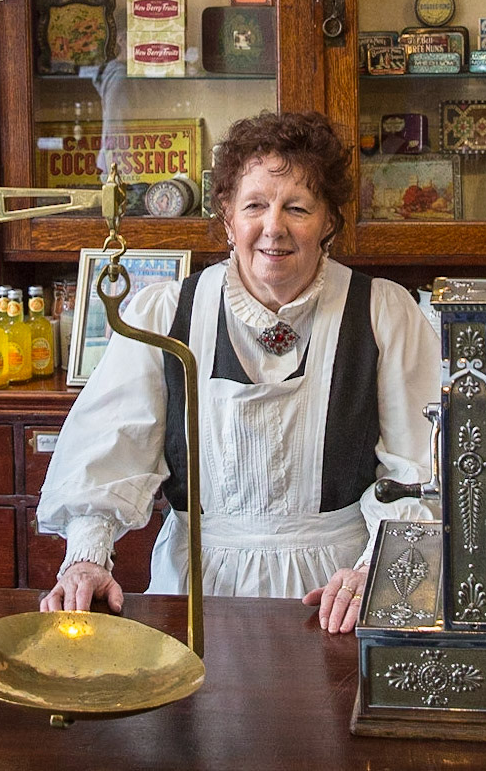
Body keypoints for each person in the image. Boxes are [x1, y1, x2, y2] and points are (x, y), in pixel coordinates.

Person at [37, 111, 439, 633]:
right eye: (254, 206)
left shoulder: (384, 312)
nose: (274, 227)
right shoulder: (163, 315)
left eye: (297, 207)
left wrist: (379, 574)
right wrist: (88, 556)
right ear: (227, 216)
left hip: (336, 599)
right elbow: (108, 452)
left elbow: (422, 473)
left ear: (329, 221)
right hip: (195, 593)